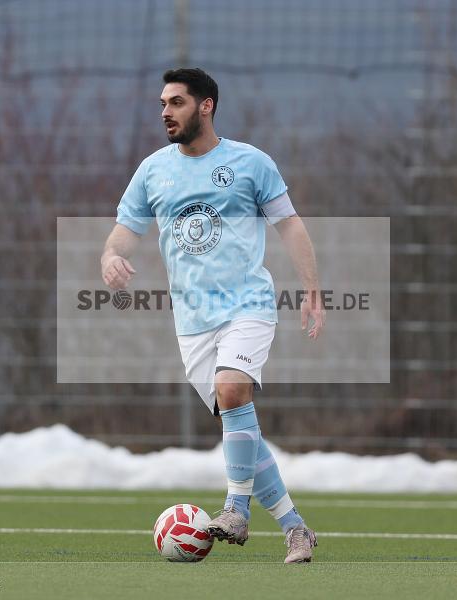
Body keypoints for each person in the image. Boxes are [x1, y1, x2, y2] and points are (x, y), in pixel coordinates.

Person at [101, 68, 325, 563]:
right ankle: (296, 530)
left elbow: (289, 225)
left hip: (248, 305)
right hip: (192, 322)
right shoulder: (153, 170)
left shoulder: (250, 163)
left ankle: (235, 509)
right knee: (241, 426)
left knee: (232, 389)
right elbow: (124, 231)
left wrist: (312, 288)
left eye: (176, 102)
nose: (165, 112)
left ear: (206, 106)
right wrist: (110, 257)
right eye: (162, 103)